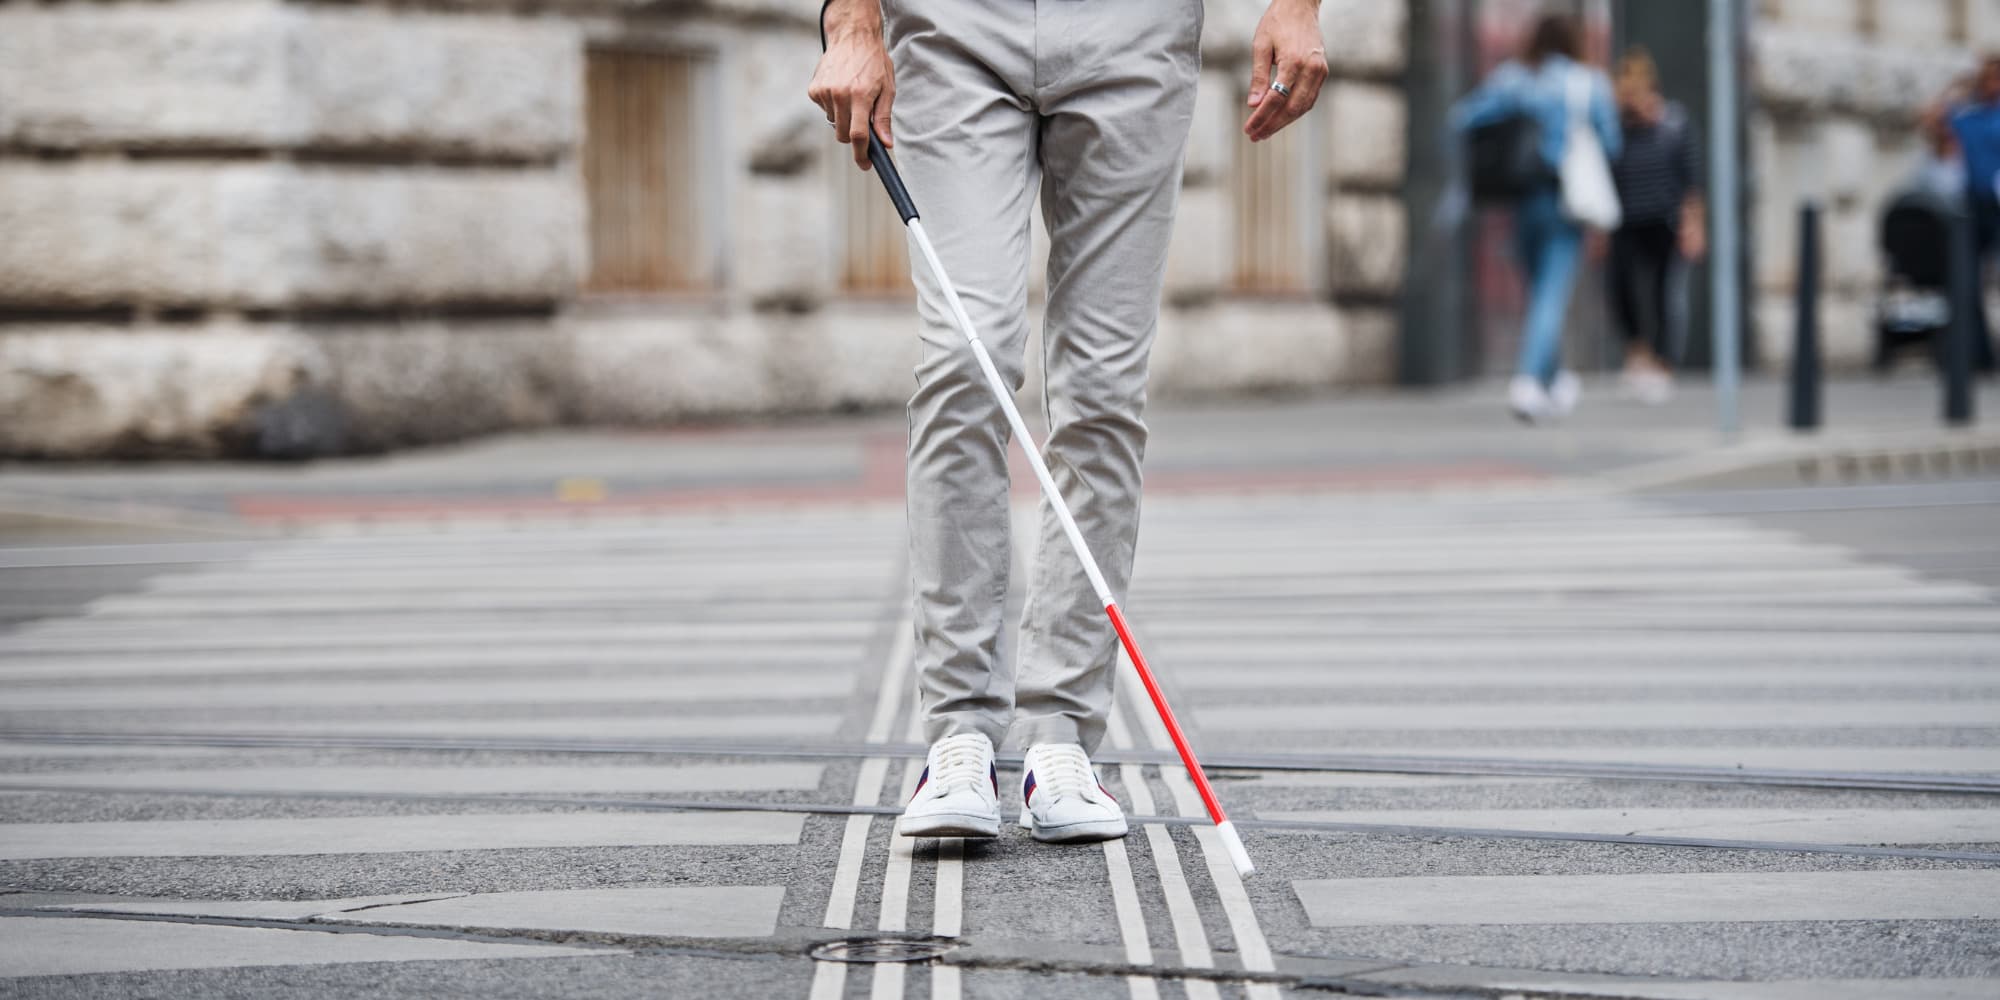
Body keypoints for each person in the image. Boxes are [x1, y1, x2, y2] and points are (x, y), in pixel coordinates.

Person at [808, 0, 1328, 844]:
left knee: (1103, 390)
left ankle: (1061, 739)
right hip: (952, 28)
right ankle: (961, 736)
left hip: (1136, 31)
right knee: (963, 361)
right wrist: (851, 18)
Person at [1451, 14, 1622, 422]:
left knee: (1540, 290)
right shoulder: (1586, 83)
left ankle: (1556, 379)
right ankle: (1528, 382)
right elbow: (1611, 144)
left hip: (1520, 199)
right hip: (1564, 202)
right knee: (1551, 292)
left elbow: (1465, 118)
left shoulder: (1512, 79)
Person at [1605, 47, 1703, 405]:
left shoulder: (1673, 123)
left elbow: (1691, 178)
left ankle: (1664, 364)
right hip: (1625, 220)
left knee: (1666, 295)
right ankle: (1638, 354)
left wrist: (1693, 225)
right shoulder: (1616, 128)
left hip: (1665, 220)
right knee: (1622, 292)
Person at [1946, 54, 2000, 370]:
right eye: (1989, 78)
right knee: (1969, 278)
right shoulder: (1971, 116)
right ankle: (1979, 353)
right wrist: (1957, 84)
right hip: (1975, 204)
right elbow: (1931, 117)